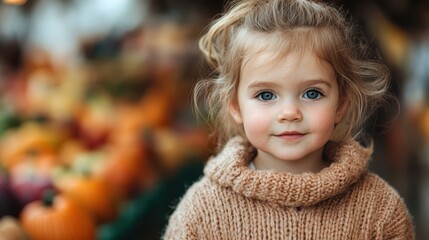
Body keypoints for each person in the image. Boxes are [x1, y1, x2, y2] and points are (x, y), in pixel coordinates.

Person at [163, 0, 415, 239]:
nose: (289, 112)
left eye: (312, 93)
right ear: (235, 106)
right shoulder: (200, 214)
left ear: (341, 104)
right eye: (266, 95)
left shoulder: (380, 211)